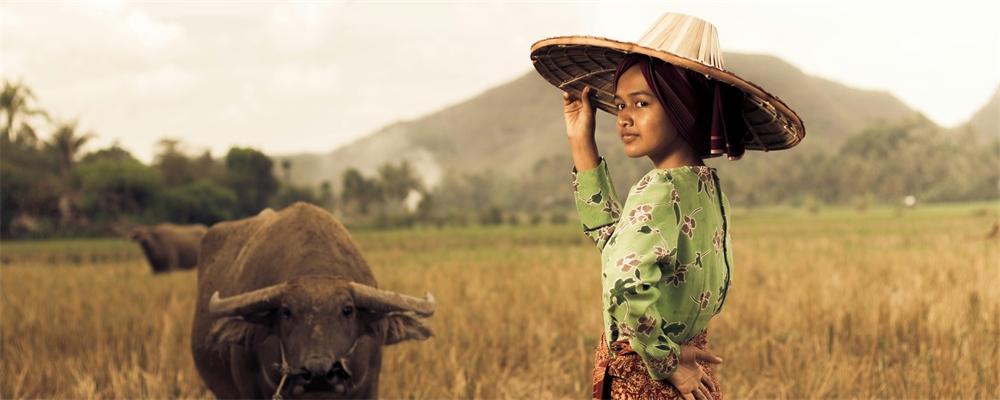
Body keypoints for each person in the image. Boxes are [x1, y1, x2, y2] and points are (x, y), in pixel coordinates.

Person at [529, 12, 806, 400]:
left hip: (654, 374)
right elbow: (618, 252)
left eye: (640, 103)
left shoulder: (663, 190)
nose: (623, 118)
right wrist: (581, 139)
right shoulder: (706, 189)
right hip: (669, 368)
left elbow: (624, 282)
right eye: (620, 104)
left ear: (684, 108)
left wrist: (666, 361)